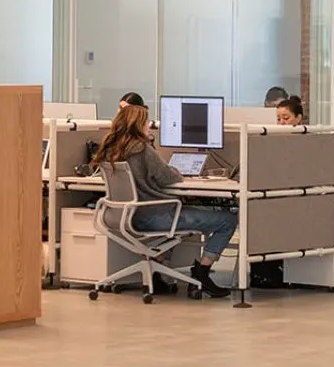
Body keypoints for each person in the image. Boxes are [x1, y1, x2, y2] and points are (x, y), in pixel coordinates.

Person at [85, 99, 237, 296]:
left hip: (121, 216)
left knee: (181, 214)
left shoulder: (108, 149)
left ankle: (159, 272)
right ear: (139, 125)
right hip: (152, 216)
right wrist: (178, 170)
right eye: (147, 122)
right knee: (227, 219)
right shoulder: (141, 148)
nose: (149, 126)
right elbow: (168, 177)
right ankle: (202, 274)